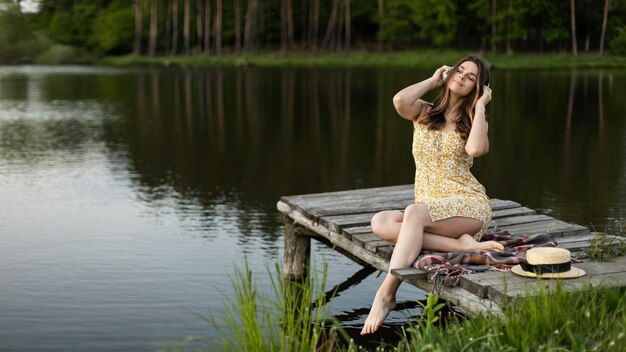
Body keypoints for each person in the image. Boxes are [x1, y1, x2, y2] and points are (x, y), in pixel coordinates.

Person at [360, 54, 505, 335]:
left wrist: (482, 106)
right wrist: (432, 79)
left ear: (478, 88)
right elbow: (399, 101)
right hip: (431, 209)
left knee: (413, 213)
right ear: (449, 74)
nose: (461, 77)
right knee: (381, 222)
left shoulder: (474, 120)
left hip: (468, 205)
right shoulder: (424, 113)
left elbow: (476, 150)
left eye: (470, 77)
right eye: (459, 71)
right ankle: (462, 246)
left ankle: (386, 293)